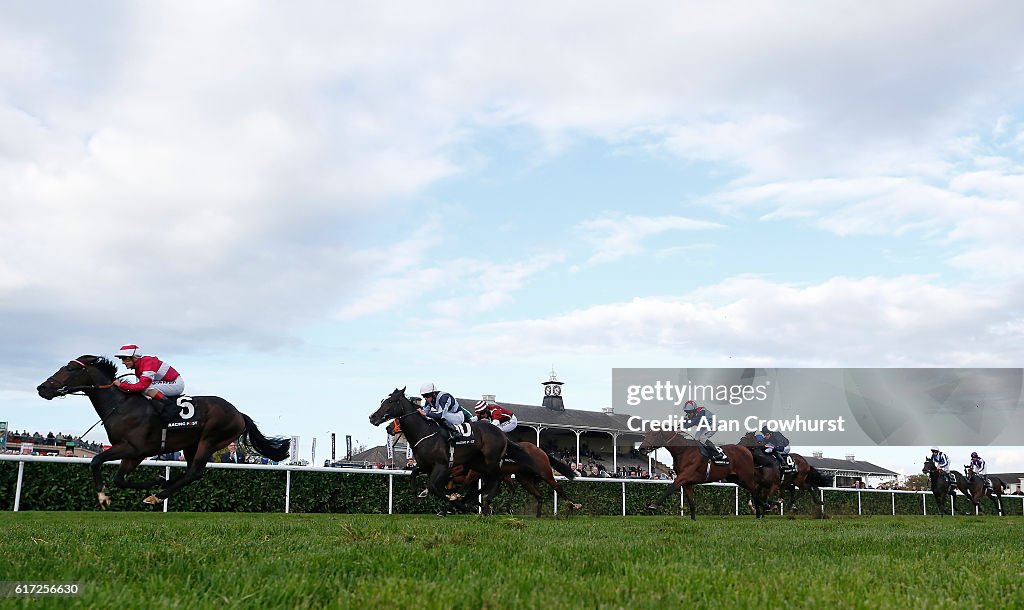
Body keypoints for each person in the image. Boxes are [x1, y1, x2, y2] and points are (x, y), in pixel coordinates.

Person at [112, 344, 184, 421]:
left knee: (146, 389)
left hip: (176, 384)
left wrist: (121, 385)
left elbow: (142, 386)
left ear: (135, 357)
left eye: (125, 359)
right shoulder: (138, 369)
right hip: (166, 383)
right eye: (122, 359)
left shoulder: (148, 362)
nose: (123, 362)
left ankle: (172, 408)